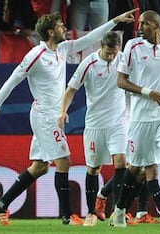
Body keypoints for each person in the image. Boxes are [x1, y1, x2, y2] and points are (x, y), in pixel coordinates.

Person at [0, 9, 137, 226]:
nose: (64, 27)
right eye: (60, 25)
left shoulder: (63, 49)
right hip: (45, 116)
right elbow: (12, 80)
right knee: (64, 161)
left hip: (52, 115)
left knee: (40, 167)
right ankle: (67, 216)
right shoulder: (35, 55)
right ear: (49, 31)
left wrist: (115, 21)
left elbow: (90, 39)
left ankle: (2, 203)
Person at [112, 10, 160, 228]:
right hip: (140, 117)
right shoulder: (132, 46)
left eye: (143, 24)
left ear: (154, 25)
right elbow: (121, 81)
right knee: (135, 168)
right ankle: (119, 210)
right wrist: (147, 92)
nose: (139, 27)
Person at [58, 31, 129, 227]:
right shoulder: (88, 64)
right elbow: (71, 90)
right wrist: (63, 111)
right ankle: (91, 212)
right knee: (94, 168)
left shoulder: (123, 60)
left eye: (114, 53)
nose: (111, 57)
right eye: (108, 53)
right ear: (101, 47)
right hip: (95, 124)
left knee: (122, 162)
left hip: (118, 122)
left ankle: (118, 210)